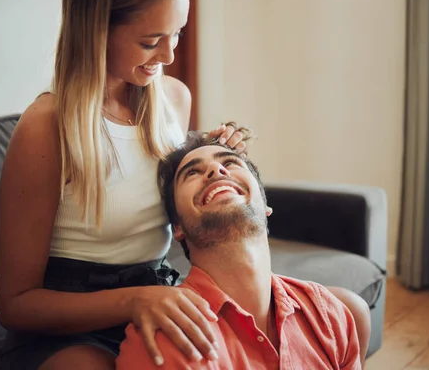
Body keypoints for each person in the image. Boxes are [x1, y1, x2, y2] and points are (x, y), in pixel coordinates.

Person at [0, 0, 368, 369]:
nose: (170, 55)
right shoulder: (45, 127)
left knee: (348, 308)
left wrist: (211, 150)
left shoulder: (173, 98)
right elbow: (14, 305)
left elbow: (149, 175)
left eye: (177, 33)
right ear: (96, 28)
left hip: (161, 288)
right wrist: (136, 300)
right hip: (71, 320)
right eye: (151, 40)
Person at [116, 132, 362, 369]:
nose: (216, 170)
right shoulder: (162, 343)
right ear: (177, 227)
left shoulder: (329, 315)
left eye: (231, 162)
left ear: (265, 205)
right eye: (192, 173)